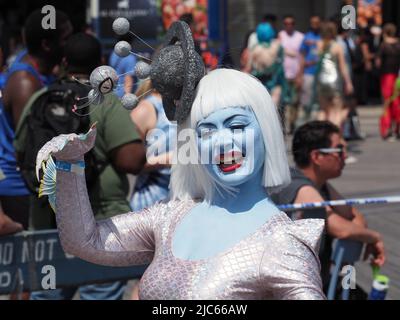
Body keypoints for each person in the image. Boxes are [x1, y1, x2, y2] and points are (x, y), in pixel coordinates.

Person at [37, 65, 326, 299]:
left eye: (237, 126)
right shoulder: (170, 217)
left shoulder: (282, 243)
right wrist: (69, 165)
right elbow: (84, 241)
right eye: (207, 131)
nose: (223, 142)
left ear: (266, 132)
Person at [15, 32, 146, 300]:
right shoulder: (104, 102)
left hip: (47, 225)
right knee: (99, 293)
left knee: (47, 294)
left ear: (63, 62)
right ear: (100, 65)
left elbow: (22, 154)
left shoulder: (39, 99)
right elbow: (131, 161)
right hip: (97, 221)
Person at [272, 121, 385, 290]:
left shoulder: (320, 184)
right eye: (339, 150)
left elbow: (352, 214)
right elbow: (341, 228)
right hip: (293, 289)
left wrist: (357, 240)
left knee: (355, 290)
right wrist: (374, 237)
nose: (345, 156)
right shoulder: (298, 186)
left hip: (317, 281)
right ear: (317, 157)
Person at [0, 10, 72, 229]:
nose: (70, 45)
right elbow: (33, 148)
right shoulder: (26, 82)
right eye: (66, 39)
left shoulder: (44, 74)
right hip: (20, 188)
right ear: (47, 45)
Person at [129, 80, 177, 211]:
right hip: (150, 207)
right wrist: (166, 160)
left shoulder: (193, 105)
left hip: (185, 207)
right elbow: (129, 163)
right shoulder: (146, 109)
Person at [315, 22, 354, 130]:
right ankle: (333, 137)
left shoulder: (319, 44)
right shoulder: (337, 46)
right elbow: (343, 67)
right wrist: (348, 82)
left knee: (323, 110)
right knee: (336, 111)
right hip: (334, 81)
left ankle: (320, 136)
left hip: (321, 80)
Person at [248, 22, 286, 109]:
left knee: (261, 109)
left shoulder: (255, 49)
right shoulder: (277, 45)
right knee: (274, 109)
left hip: (259, 82)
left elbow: (249, 68)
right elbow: (281, 61)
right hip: (275, 81)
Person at [278, 15, 304, 134]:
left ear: (294, 24)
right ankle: (282, 124)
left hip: (295, 74)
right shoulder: (281, 35)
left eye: (291, 23)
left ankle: (292, 123)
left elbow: (302, 56)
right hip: (283, 75)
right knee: (282, 101)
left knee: (295, 101)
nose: (288, 25)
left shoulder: (300, 37)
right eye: (286, 23)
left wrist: (300, 75)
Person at [376, 23, 400, 140]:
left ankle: (387, 129)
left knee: (387, 104)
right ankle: (397, 129)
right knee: (397, 103)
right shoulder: (399, 44)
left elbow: (378, 62)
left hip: (386, 77)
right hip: (398, 78)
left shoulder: (384, 45)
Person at [297, 15, 321, 126]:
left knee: (318, 101)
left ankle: (315, 122)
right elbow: (301, 56)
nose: (315, 25)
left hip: (321, 74)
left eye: (317, 22)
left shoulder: (323, 37)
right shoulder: (307, 37)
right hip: (309, 73)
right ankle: (304, 123)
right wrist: (300, 74)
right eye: (313, 23)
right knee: (306, 100)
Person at [109, 33, 137, 98]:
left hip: (114, 93)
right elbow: (128, 78)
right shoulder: (130, 58)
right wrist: (127, 97)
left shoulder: (113, 54)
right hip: (123, 95)